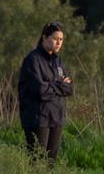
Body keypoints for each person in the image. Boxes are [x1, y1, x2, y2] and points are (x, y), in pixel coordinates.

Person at [17, 21, 72, 161]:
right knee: (37, 159)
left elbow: (69, 88)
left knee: (51, 160)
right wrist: (58, 85)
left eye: (61, 40)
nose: (58, 43)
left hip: (56, 116)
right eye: (55, 39)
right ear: (44, 38)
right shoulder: (32, 60)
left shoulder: (58, 61)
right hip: (38, 118)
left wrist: (52, 85)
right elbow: (40, 90)